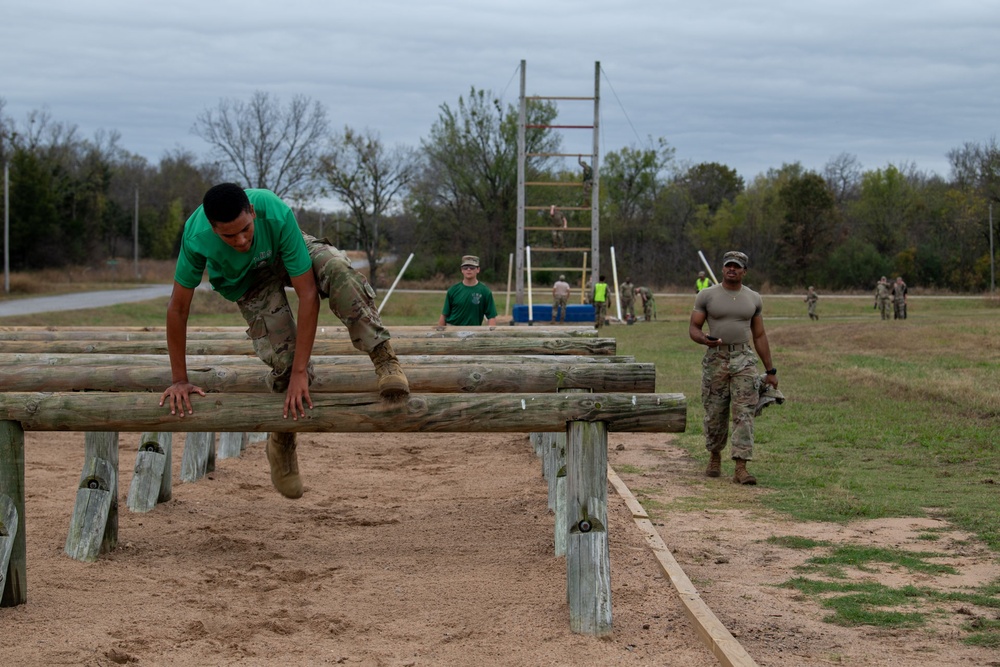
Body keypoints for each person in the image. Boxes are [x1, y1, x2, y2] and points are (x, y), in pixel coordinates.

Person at [160, 183, 409, 499]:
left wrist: (302, 373)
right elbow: (178, 307)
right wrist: (179, 379)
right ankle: (283, 439)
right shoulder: (196, 237)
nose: (241, 240)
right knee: (287, 361)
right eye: (229, 236)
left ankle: (384, 358)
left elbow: (308, 294)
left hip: (282, 250)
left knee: (337, 269)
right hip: (246, 283)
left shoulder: (273, 210)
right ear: (213, 228)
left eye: (246, 230)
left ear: (252, 212)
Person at [689, 250, 778, 485]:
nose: (732, 269)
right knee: (715, 412)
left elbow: (759, 335)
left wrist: (770, 371)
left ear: (744, 271)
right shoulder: (706, 295)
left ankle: (741, 466)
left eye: (737, 267)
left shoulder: (754, 298)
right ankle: (714, 456)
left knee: (744, 413)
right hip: (716, 359)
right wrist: (703, 339)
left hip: (744, 359)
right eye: (728, 265)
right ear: (722, 269)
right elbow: (694, 328)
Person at [438, 255, 497, 327]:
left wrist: (491, 334)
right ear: (462, 270)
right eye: (465, 268)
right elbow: (444, 314)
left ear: (478, 269)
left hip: (474, 331)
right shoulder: (453, 290)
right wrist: (440, 333)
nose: (468, 269)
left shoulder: (485, 291)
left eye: (472, 268)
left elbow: (491, 317)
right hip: (452, 329)